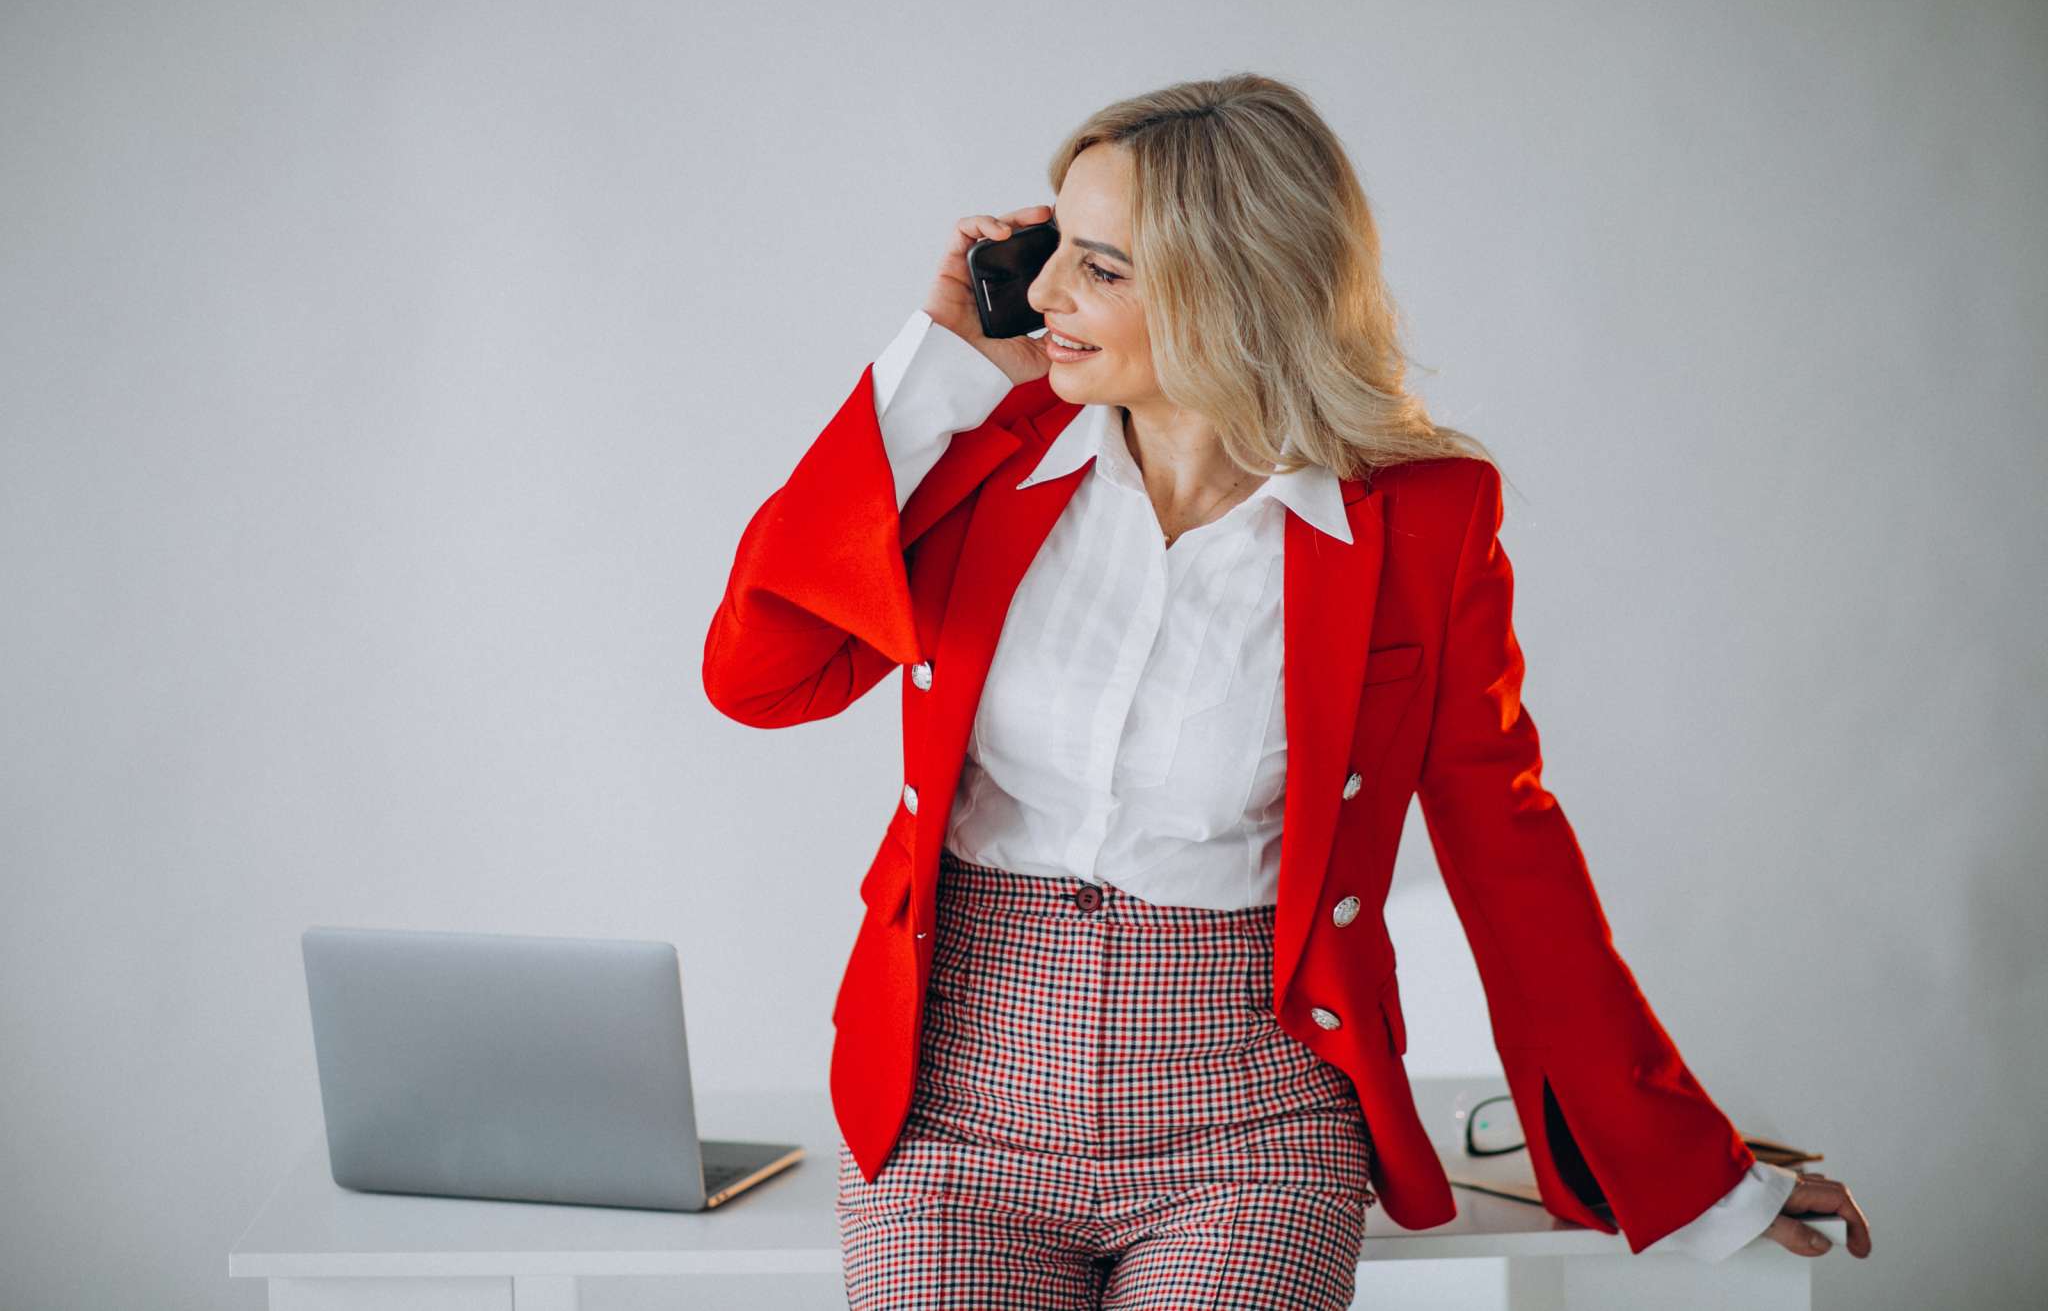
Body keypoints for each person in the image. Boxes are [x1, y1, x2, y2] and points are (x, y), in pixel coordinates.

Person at [703, 72, 1871, 1309]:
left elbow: (1508, 849)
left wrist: (1688, 1168)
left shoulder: (1420, 521)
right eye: (1053, 247)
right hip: (954, 1114)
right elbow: (760, 678)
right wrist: (933, 373)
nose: (1041, 291)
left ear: (1233, 290)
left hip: (1246, 1136)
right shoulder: (984, 459)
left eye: (1097, 267)